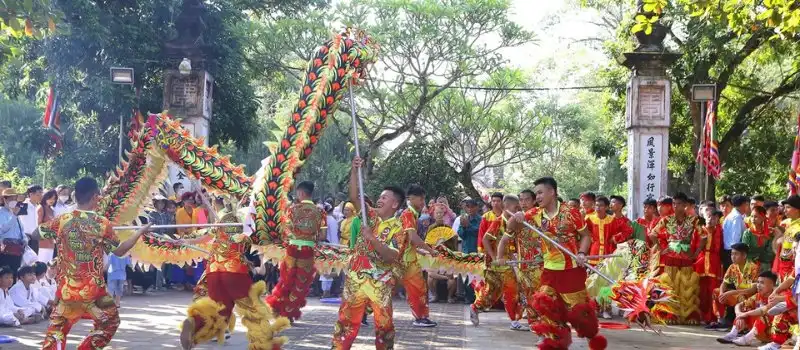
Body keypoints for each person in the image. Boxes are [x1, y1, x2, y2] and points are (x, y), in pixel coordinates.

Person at [36, 177, 149, 349]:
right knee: (110, 322)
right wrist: (139, 232)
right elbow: (120, 251)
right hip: (93, 293)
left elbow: (35, 234)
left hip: (66, 290)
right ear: (96, 196)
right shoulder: (102, 224)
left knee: (56, 332)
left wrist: (58, 235)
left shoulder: (62, 220)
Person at [179, 195, 289, 350]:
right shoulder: (246, 221)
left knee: (220, 311)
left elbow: (202, 238)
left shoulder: (221, 221)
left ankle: (194, 323)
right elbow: (261, 242)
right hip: (235, 272)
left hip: (214, 271)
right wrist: (262, 264)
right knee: (254, 313)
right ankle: (265, 346)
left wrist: (184, 241)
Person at [527, 177, 606, 350]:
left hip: (571, 270)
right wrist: (516, 217)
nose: (537, 197)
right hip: (549, 271)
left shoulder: (571, 212)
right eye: (536, 194)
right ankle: (555, 342)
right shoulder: (534, 214)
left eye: (540, 192)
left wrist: (582, 253)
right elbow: (513, 225)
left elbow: (586, 236)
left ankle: (591, 335)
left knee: (580, 314)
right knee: (547, 306)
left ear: (552, 192)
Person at [331, 156, 401, 350]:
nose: (379, 199)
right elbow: (354, 196)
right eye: (380, 196)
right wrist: (354, 171)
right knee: (345, 324)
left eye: (384, 198)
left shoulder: (398, 227)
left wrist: (372, 239)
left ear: (394, 204)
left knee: (384, 327)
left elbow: (391, 256)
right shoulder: (368, 214)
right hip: (355, 278)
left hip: (381, 283)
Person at [266, 180, 326, 322]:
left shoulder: (292, 209)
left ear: (301, 193)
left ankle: (280, 309)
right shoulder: (320, 211)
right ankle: (289, 312)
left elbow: (286, 231)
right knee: (300, 284)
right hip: (308, 250)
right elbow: (322, 236)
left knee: (287, 280)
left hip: (292, 250)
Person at [470, 194, 525, 330]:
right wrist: (495, 258)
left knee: (503, 292)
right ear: (506, 207)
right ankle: (513, 320)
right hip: (497, 264)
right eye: (516, 207)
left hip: (510, 263)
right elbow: (485, 240)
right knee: (500, 292)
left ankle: (477, 307)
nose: (518, 209)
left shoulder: (516, 222)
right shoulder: (498, 222)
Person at [649, 192, 703, 324]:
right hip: (670, 256)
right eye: (674, 203)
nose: (675, 206)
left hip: (686, 256)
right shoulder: (667, 219)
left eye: (678, 203)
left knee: (687, 286)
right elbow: (652, 234)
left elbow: (704, 236)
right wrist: (661, 249)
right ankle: (669, 314)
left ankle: (688, 315)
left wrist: (696, 253)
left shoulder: (693, 220)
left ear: (685, 205)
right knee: (670, 285)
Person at [500, 190, 543, 334]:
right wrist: (500, 258)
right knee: (530, 299)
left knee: (545, 297)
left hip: (545, 265)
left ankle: (548, 327)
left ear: (534, 201)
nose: (524, 203)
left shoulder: (543, 216)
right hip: (525, 266)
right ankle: (537, 329)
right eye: (521, 200)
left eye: (527, 200)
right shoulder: (516, 220)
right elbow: (504, 240)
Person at [397, 184, 438, 328]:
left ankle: (363, 313)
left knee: (387, 287)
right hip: (406, 260)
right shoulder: (408, 214)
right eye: (421, 199)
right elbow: (413, 238)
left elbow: (408, 240)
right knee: (418, 289)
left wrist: (421, 251)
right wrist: (430, 250)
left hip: (407, 258)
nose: (423, 203)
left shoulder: (411, 214)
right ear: (411, 198)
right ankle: (420, 317)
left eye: (424, 199)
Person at [717, 270, 777, 345]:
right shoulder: (758, 296)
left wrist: (744, 314)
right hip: (760, 334)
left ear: (772, 285)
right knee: (744, 309)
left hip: (773, 334)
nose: (758, 285)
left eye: (762, 283)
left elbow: (762, 310)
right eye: (758, 282)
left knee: (766, 314)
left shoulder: (775, 297)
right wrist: (740, 315)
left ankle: (747, 339)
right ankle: (732, 334)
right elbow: (738, 305)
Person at [709, 242, 759, 330]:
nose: (733, 256)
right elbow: (724, 283)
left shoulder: (753, 268)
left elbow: (753, 290)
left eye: (736, 254)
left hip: (750, 296)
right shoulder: (732, 267)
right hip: (737, 294)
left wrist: (731, 292)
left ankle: (744, 324)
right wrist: (721, 293)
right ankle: (721, 320)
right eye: (732, 254)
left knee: (741, 297)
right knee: (716, 292)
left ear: (744, 255)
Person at [694, 210, 723, 324]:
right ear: (704, 217)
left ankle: (712, 317)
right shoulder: (699, 230)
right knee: (700, 290)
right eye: (709, 216)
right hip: (700, 261)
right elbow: (694, 246)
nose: (711, 219)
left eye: (714, 217)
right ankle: (699, 315)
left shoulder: (719, 231)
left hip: (713, 262)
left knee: (713, 290)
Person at [458, 198, 481, 304]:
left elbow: (479, 232)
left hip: (477, 250)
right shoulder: (464, 218)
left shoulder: (481, 219)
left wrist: (468, 226)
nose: (470, 209)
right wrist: (463, 226)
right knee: (467, 276)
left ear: (477, 207)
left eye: (472, 206)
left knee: (477, 275)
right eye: (468, 207)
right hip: (466, 250)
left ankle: (478, 297)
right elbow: (461, 234)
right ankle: (468, 297)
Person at [0, 188, 26, 274]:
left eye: (15, 198)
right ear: (4, 199)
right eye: (11, 198)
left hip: (17, 249)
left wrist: (25, 239)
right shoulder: (1, 212)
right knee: (5, 274)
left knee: (15, 273)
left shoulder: (15, 212)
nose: (13, 201)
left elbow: (21, 228)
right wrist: (14, 215)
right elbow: (3, 229)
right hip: (6, 249)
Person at [723, 195, 750, 273]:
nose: (747, 207)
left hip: (728, 251)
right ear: (743, 205)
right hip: (734, 251)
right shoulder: (737, 217)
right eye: (746, 205)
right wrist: (736, 254)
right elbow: (736, 237)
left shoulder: (730, 216)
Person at [742, 206, 775, 272]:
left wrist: (758, 257)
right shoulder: (748, 233)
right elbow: (745, 251)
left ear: (763, 218)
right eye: (751, 216)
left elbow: (770, 253)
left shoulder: (769, 233)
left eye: (756, 217)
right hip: (750, 265)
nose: (753, 219)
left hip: (765, 266)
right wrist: (757, 257)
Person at [586, 196, 616, 267]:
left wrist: (615, 238)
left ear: (606, 207)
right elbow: (585, 235)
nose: (598, 208)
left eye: (601, 205)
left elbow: (622, 232)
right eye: (596, 205)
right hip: (594, 250)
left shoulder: (613, 220)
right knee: (593, 274)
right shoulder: (589, 219)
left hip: (609, 250)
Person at [20, 185, 43, 253]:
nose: (41, 196)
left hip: (35, 238)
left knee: (34, 261)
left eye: (42, 193)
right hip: (25, 238)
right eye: (38, 194)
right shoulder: (23, 206)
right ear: (31, 194)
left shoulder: (38, 207)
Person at [36, 190, 57, 263]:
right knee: (42, 264)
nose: (52, 200)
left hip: (51, 241)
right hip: (43, 241)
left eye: (54, 198)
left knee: (49, 264)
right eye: (50, 198)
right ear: (45, 197)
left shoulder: (51, 209)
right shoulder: (41, 208)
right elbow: (38, 225)